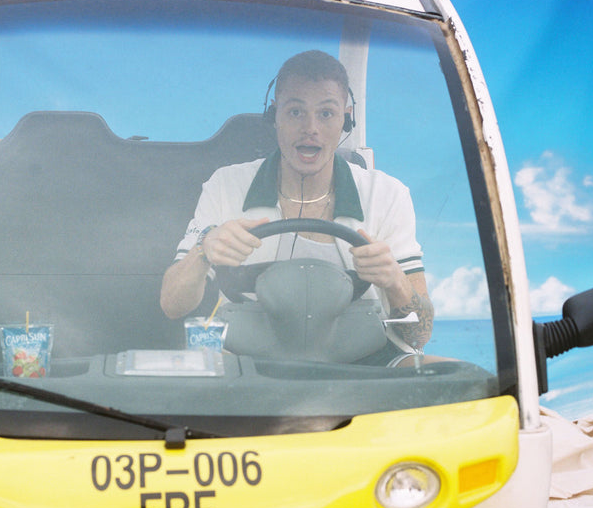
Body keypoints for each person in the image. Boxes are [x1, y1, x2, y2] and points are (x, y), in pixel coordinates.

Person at [160, 49, 433, 365]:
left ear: (346, 118)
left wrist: (395, 281)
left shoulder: (388, 194)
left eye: (326, 114)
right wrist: (203, 250)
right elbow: (172, 305)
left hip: (364, 371)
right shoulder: (225, 185)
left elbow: (420, 335)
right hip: (248, 368)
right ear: (273, 116)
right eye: (295, 112)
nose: (311, 128)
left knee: (452, 377)